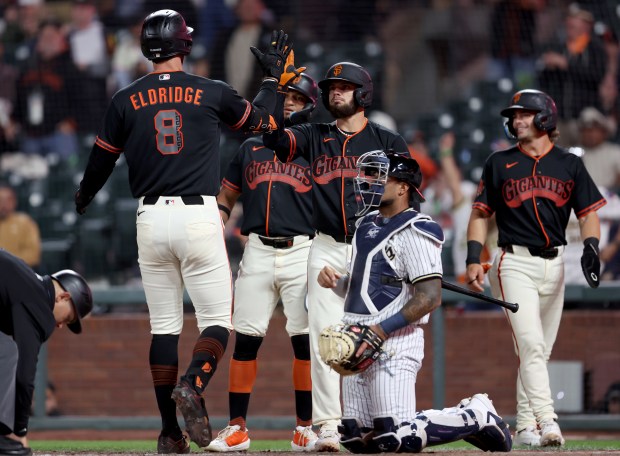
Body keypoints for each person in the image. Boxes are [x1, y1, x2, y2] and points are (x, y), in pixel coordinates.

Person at [73, 9, 299, 453]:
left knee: (163, 329)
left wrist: (83, 198)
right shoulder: (210, 91)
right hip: (198, 215)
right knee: (217, 321)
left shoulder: (124, 98)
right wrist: (272, 84)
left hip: (149, 218)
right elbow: (266, 126)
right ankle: (194, 384)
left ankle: (168, 433)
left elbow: (101, 160)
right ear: (184, 44)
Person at [317, 150, 512, 454]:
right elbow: (368, 290)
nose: (369, 182)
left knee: (396, 437)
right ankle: (463, 417)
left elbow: (430, 297)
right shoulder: (365, 225)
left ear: (402, 187)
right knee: (356, 438)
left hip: (394, 341)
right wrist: (337, 282)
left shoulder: (418, 228)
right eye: (368, 175)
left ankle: (476, 414)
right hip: (357, 341)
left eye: (379, 176)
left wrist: (380, 331)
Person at [263, 61, 409, 451]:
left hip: (375, 247)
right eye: (331, 88)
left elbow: (409, 198)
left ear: (362, 94)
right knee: (325, 338)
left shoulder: (389, 141)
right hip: (327, 245)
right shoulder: (314, 135)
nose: (335, 93)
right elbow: (273, 139)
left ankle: (380, 417)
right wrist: (275, 92)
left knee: (378, 338)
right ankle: (328, 425)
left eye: (344, 87)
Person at [465, 89, 607, 447]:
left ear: (545, 118)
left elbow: (589, 213)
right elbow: (480, 214)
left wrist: (591, 245)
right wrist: (471, 258)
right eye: (514, 116)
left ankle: (525, 424)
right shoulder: (499, 163)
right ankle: (548, 421)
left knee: (538, 351)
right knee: (530, 345)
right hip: (513, 262)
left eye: (524, 114)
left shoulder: (569, 163)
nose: (516, 121)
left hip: (556, 263)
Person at [207, 73, 318, 453]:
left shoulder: (316, 149)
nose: (289, 103)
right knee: (246, 341)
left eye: (299, 99)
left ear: (311, 107)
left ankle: (305, 427)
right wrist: (212, 226)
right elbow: (227, 196)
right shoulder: (251, 147)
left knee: (304, 343)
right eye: (286, 96)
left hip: (303, 250)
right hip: (256, 249)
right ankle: (237, 427)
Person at [0, 249, 93, 456]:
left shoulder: (29, 280)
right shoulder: (40, 303)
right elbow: (24, 376)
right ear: (63, 296)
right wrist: (19, 430)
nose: (61, 325)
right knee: (9, 354)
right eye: (68, 318)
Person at [537, 3, 608, 146]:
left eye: (575, 21)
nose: (570, 24)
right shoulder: (559, 47)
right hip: (560, 117)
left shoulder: (595, 49)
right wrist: (547, 67)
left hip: (584, 118)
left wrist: (566, 65)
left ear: (586, 25)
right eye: (569, 21)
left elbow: (596, 77)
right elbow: (543, 81)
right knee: (560, 159)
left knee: (584, 160)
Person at [577, 107, 620, 190]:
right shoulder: (573, 153)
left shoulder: (615, 151)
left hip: (611, 198)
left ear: (603, 132)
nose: (590, 135)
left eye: (594, 130)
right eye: (586, 130)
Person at [0, 184, 41, 268]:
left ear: (15, 201)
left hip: (18, 273)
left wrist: (7, 263)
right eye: (1, 200)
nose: (4, 204)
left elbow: (33, 255)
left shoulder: (25, 222)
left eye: (8, 199)